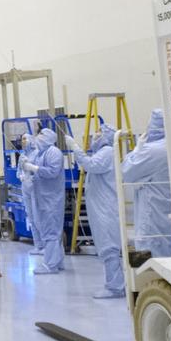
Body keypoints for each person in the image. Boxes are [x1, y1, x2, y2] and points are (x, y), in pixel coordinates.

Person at [70, 124, 125, 298]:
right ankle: (115, 284)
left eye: (100, 131)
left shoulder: (107, 152)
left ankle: (115, 287)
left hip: (105, 208)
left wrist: (75, 148)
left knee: (109, 246)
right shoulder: (103, 152)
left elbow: (91, 165)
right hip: (102, 207)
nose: (96, 134)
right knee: (106, 245)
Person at [121, 109, 171, 257]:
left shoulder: (153, 151)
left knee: (153, 266)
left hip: (154, 222)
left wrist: (137, 150)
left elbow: (126, 172)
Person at [22, 127, 66, 274]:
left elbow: (52, 172)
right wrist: (27, 167)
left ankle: (50, 265)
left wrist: (33, 168)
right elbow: (36, 170)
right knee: (51, 231)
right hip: (44, 197)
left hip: (51, 199)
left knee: (51, 232)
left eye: (41, 134)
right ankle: (58, 262)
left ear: (49, 138)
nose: (38, 137)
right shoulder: (42, 153)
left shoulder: (54, 152)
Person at [17, 133, 42, 256]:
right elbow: (18, 171)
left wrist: (31, 170)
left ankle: (45, 245)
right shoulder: (22, 156)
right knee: (31, 217)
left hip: (35, 187)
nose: (23, 141)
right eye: (22, 139)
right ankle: (38, 246)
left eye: (25, 139)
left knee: (38, 217)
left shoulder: (37, 153)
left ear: (31, 140)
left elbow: (41, 170)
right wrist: (21, 176)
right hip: (25, 187)